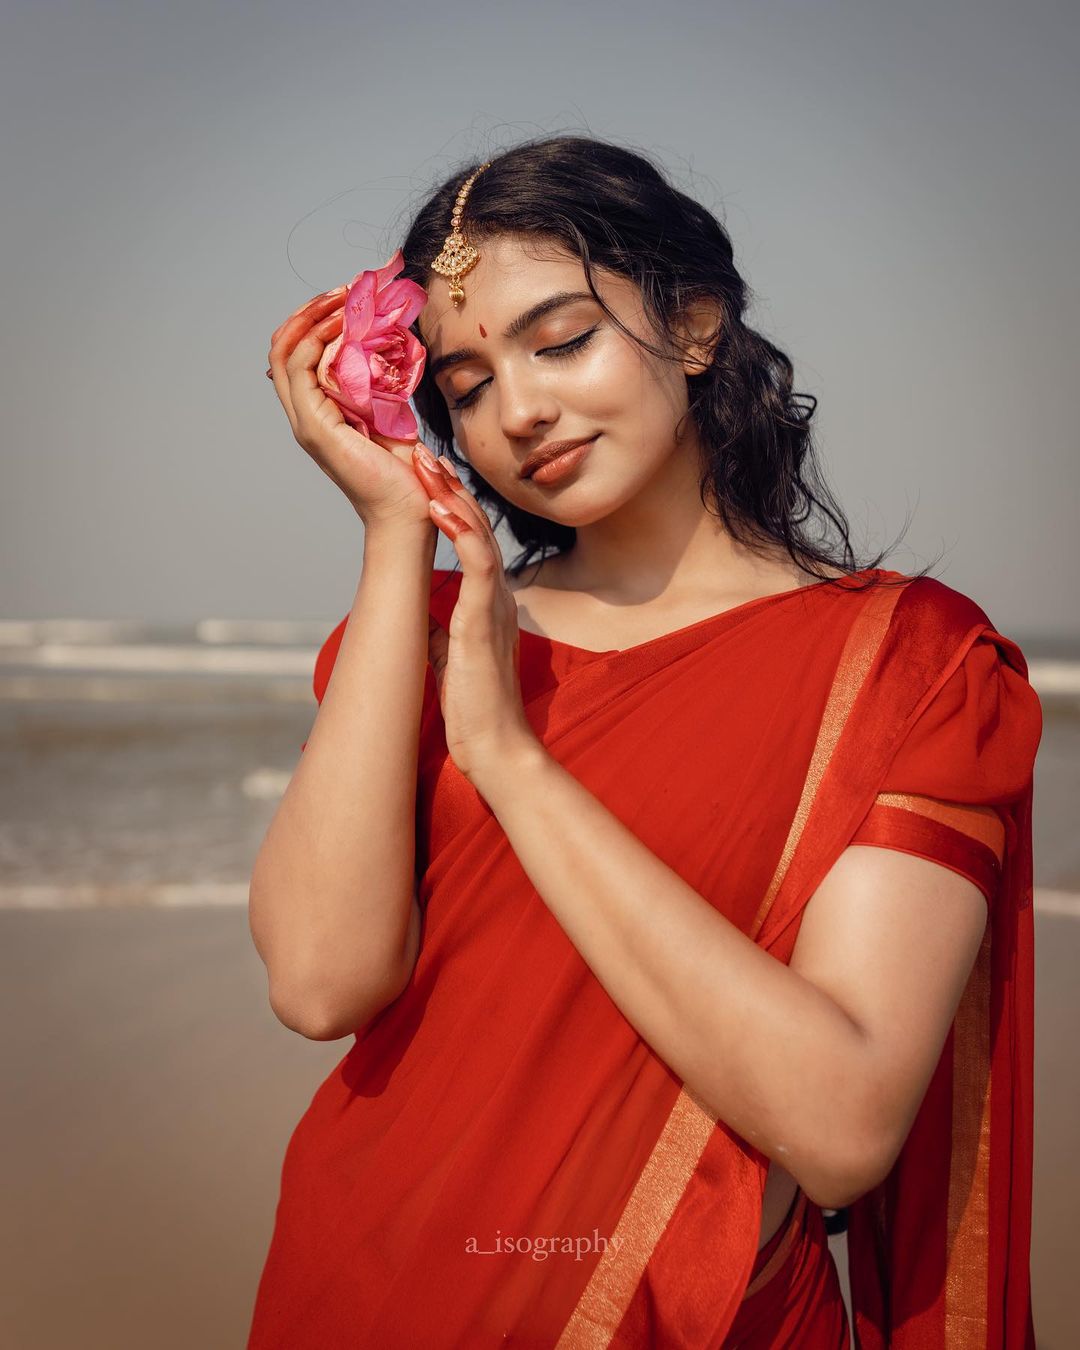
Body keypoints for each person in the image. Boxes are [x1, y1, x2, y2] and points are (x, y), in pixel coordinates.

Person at [248, 135, 1042, 1347]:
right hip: (362, 1279)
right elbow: (318, 982)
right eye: (461, 385)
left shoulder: (910, 666)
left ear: (695, 324)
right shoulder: (431, 627)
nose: (517, 411)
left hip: (688, 1315)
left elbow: (840, 1128)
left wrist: (512, 763)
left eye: (560, 340)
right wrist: (393, 534)